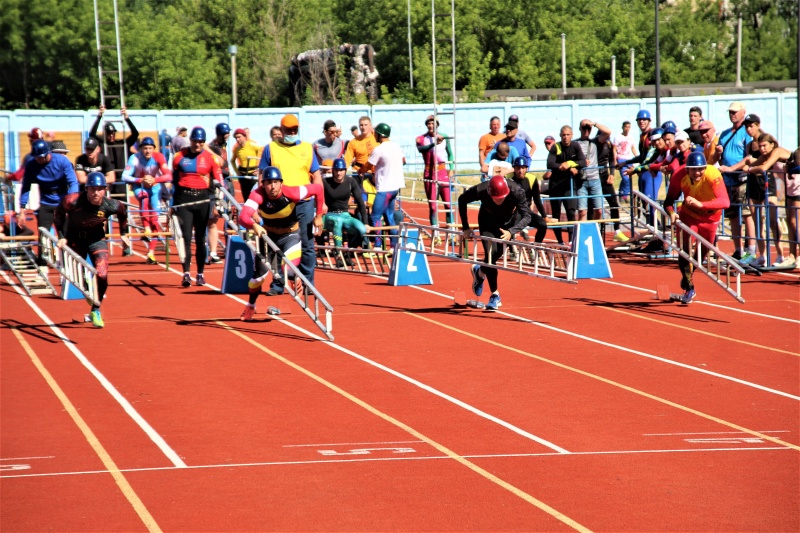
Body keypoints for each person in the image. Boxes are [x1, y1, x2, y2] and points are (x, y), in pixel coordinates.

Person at [237, 166, 324, 321]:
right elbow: (243, 217)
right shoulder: (257, 195)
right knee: (258, 278)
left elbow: (317, 189)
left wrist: (319, 215)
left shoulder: (292, 192)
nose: (272, 187)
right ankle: (250, 305)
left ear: (281, 183)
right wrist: (254, 225)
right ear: (263, 184)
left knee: (288, 267)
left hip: (290, 234)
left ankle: (293, 279)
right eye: (269, 183)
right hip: (268, 236)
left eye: (276, 182)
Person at [258, 114, 323, 293]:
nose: (292, 132)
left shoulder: (308, 149)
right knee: (278, 243)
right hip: (279, 205)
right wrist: (259, 202)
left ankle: (308, 284)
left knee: (307, 244)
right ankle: (279, 284)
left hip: (304, 202)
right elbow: (261, 177)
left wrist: (320, 207)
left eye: (295, 129)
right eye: (289, 130)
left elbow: (316, 177)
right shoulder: (270, 149)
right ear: (281, 130)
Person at [53, 172, 128, 328]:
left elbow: (123, 213)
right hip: (75, 240)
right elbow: (58, 214)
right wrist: (61, 235)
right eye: (92, 189)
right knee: (75, 273)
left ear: (105, 190)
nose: (96, 193)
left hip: (96, 240)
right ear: (86, 189)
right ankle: (87, 287)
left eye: (100, 189)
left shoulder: (111, 205)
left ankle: (96, 309)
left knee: (102, 274)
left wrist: (124, 233)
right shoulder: (72, 201)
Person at [663, 152, 730, 304]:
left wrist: (701, 204)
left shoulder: (713, 174)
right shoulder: (678, 176)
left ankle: (688, 274)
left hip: (711, 216)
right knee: (684, 247)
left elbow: (725, 202)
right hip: (689, 214)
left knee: (702, 253)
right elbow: (668, 202)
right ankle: (689, 287)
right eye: (694, 169)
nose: (697, 172)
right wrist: (671, 213)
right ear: (687, 169)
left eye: (701, 169)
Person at [458, 174, 532, 311]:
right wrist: (466, 227)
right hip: (487, 223)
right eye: (495, 198)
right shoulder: (481, 189)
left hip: (507, 226)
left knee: (497, 255)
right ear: (489, 193)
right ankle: (495, 295)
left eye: (502, 198)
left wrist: (512, 231)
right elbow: (462, 200)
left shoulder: (517, 191)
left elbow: (527, 216)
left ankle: (479, 272)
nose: (499, 201)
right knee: (491, 255)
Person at [171, 126, 223, 287]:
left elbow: (219, 181)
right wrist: (173, 204)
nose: (197, 144)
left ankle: (200, 273)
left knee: (201, 239)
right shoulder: (179, 156)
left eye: (201, 142)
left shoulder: (210, 158)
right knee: (186, 238)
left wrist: (217, 202)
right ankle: (186, 273)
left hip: (202, 200)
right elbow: (173, 182)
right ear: (190, 140)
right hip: (184, 200)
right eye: (195, 141)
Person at [19, 139, 80, 264]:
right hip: (46, 203)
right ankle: (42, 267)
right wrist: (22, 209)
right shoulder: (31, 165)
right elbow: (26, 186)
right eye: (37, 158)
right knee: (43, 236)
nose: (39, 160)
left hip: (62, 202)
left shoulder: (62, 161)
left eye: (42, 157)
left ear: (48, 153)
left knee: (66, 237)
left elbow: (73, 182)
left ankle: (69, 266)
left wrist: (71, 201)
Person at [744, 133, 794, 267]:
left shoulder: (777, 151)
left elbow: (764, 168)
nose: (762, 149)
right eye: (760, 146)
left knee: (779, 221)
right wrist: (748, 165)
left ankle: (781, 255)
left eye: (764, 145)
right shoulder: (764, 156)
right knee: (787, 222)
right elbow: (755, 164)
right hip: (791, 186)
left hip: (795, 184)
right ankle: (766, 256)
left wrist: (749, 169)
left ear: (772, 144)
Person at [121, 136, 172, 264]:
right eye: (145, 148)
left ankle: (151, 253)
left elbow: (168, 175)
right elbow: (124, 176)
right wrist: (139, 180)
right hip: (140, 187)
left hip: (155, 188)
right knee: (144, 197)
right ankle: (146, 228)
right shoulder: (134, 158)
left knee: (155, 219)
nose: (148, 151)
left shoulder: (159, 157)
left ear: (154, 149)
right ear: (141, 149)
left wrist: (155, 180)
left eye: (150, 148)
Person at [717, 101, 754, 263]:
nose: (732, 114)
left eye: (735, 112)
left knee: (747, 214)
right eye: (730, 112)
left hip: (742, 179)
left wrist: (733, 169)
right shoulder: (724, 134)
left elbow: (749, 157)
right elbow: (719, 158)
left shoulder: (747, 133)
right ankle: (738, 250)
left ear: (743, 112)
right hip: (728, 180)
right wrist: (718, 153)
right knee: (732, 216)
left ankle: (751, 250)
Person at [363, 123, 405, 249]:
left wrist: (360, 171)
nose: (373, 134)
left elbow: (368, 166)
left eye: (375, 132)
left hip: (384, 189)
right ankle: (394, 245)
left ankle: (377, 244)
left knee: (375, 216)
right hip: (395, 187)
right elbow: (404, 161)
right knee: (389, 216)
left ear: (380, 134)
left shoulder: (379, 149)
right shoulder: (396, 146)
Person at [322, 158, 368, 265]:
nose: (338, 173)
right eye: (336, 170)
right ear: (333, 170)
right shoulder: (325, 182)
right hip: (329, 216)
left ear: (345, 171)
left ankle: (347, 253)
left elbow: (361, 203)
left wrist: (366, 223)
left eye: (341, 170)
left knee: (362, 230)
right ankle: (338, 255)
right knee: (337, 220)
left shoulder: (351, 182)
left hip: (345, 215)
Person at [545, 125, 586, 244]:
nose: (566, 137)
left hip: (568, 186)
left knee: (571, 212)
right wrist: (563, 167)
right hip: (555, 186)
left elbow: (583, 162)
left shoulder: (575, 146)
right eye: (563, 135)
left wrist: (570, 164)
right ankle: (560, 241)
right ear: (560, 136)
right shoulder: (556, 147)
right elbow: (550, 164)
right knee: (556, 215)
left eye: (568, 135)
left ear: (572, 135)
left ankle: (572, 241)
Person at [416, 115, 455, 231]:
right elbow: (421, 149)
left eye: (433, 123)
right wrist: (434, 143)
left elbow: (450, 153)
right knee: (433, 206)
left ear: (437, 124)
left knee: (448, 204)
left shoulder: (445, 137)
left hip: (442, 172)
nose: (431, 126)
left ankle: (451, 232)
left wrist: (451, 168)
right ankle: (436, 233)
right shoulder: (421, 138)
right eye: (428, 123)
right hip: (429, 172)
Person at [88, 105, 139, 190]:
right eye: (108, 133)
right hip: (108, 180)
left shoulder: (122, 144)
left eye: (113, 133)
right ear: (105, 133)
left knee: (122, 202)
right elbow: (92, 134)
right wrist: (99, 116)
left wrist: (126, 118)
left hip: (120, 180)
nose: (111, 135)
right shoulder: (102, 143)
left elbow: (135, 134)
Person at [574, 120, 612, 222]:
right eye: (584, 128)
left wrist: (594, 124)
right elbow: (569, 160)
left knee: (599, 210)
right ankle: (583, 235)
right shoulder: (575, 143)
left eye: (588, 128)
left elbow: (608, 132)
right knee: (582, 212)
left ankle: (596, 231)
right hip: (581, 181)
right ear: (580, 129)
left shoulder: (595, 141)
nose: (586, 130)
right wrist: (580, 163)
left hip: (595, 180)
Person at [207, 123, 233, 263]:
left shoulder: (223, 145)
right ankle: (212, 251)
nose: (228, 136)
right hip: (216, 185)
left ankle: (227, 247)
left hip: (225, 183)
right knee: (213, 218)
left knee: (227, 214)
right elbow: (220, 164)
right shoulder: (212, 147)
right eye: (226, 133)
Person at [510, 157, 549, 243]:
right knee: (510, 228)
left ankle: (536, 247)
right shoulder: (509, 179)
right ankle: (512, 249)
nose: (520, 171)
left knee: (543, 225)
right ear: (514, 169)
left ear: (527, 168)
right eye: (518, 168)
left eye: (523, 168)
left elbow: (537, 199)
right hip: (513, 212)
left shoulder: (532, 179)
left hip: (526, 212)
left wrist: (544, 216)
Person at [231, 127, 263, 203]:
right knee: (246, 197)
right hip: (243, 174)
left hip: (253, 173)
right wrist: (237, 172)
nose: (237, 139)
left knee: (255, 195)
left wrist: (258, 168)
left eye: (239, 137)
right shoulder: (237, 149)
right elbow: (232, 161)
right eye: (236, 138)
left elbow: (263, 151)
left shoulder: (252, 145)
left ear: (245, 137)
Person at [344, 116, 377, 181]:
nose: (363, 127)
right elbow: (347, 159)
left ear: (370, 125)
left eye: (366, 125)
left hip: (374, 173)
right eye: (361, 125)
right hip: (358, 172)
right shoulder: (353, 142)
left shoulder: (377, 138)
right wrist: (342, 171)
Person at [613, 121, 638, 202]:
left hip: (629, 159)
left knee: (629, 178)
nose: (627, 129)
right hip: (621, 158)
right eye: (626, 127)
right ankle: (624, 196)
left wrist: (637, 157)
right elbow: (614, 149)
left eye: (629, 127)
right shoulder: (618, 137)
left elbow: (633, 147)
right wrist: (615, 161)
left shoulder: (631, 137)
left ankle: (622, 193)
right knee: (625, 178)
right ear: (623, 127)